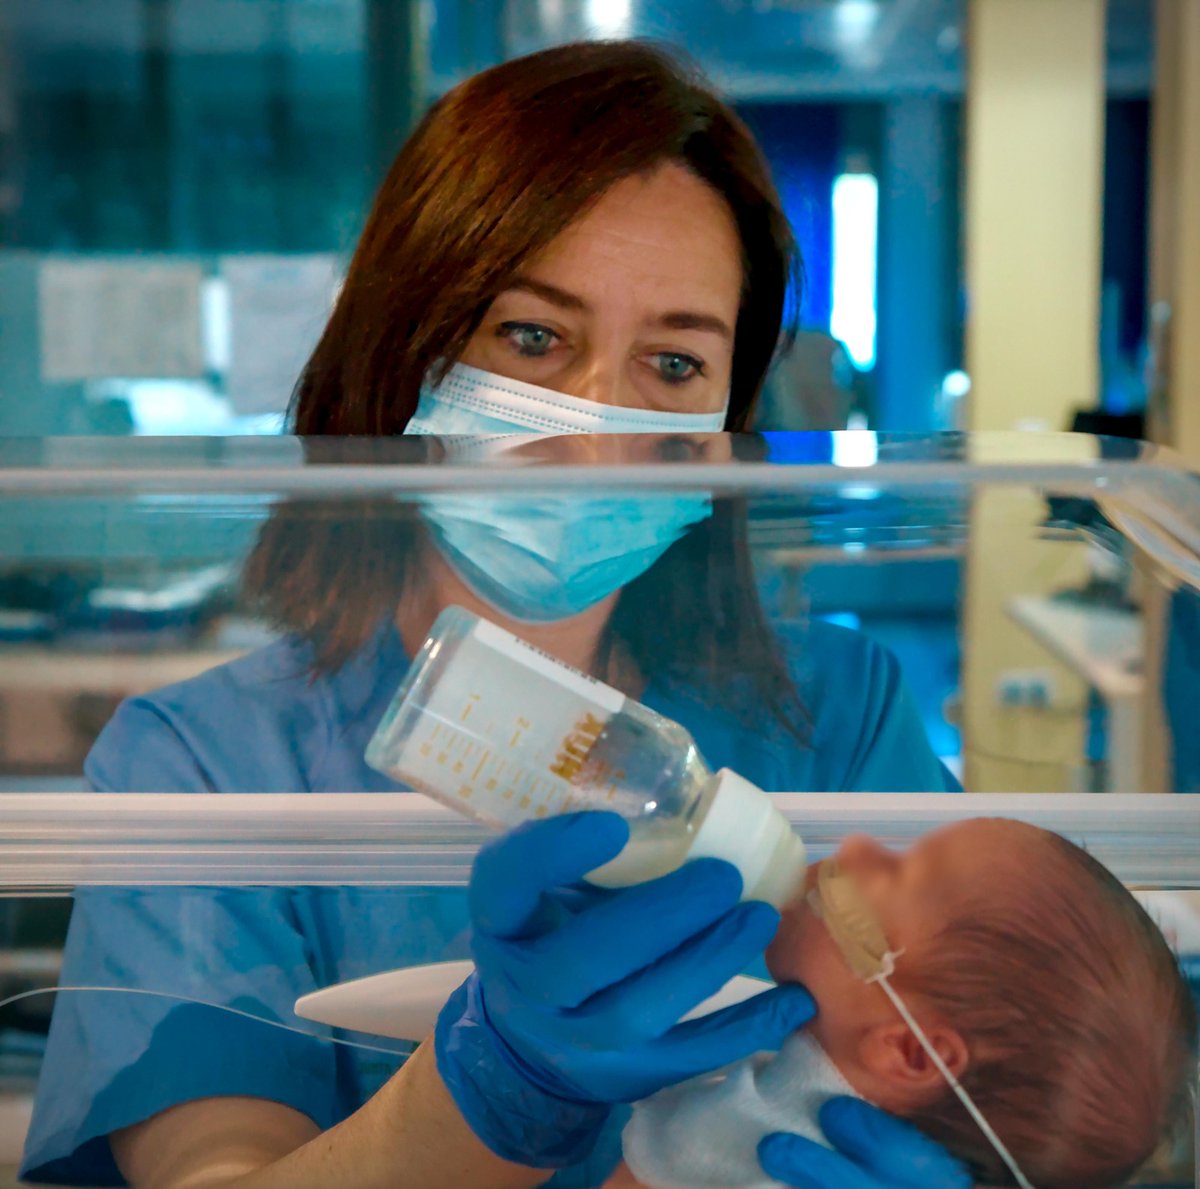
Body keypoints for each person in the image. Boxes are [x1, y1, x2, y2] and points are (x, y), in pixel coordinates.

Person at [22, 41, 962, 1189]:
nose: (594, 428)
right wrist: (496, 1093)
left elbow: (1002, 1044)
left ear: (726, 431)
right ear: (407, 342)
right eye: (531, 337)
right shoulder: (206, 770)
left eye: (673, 362)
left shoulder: (838, 718)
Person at [607, 820, 1198, 1188]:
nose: (858, 846)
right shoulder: (773, 1094)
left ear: (911, 1051)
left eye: (894, 874)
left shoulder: (767, 1156)